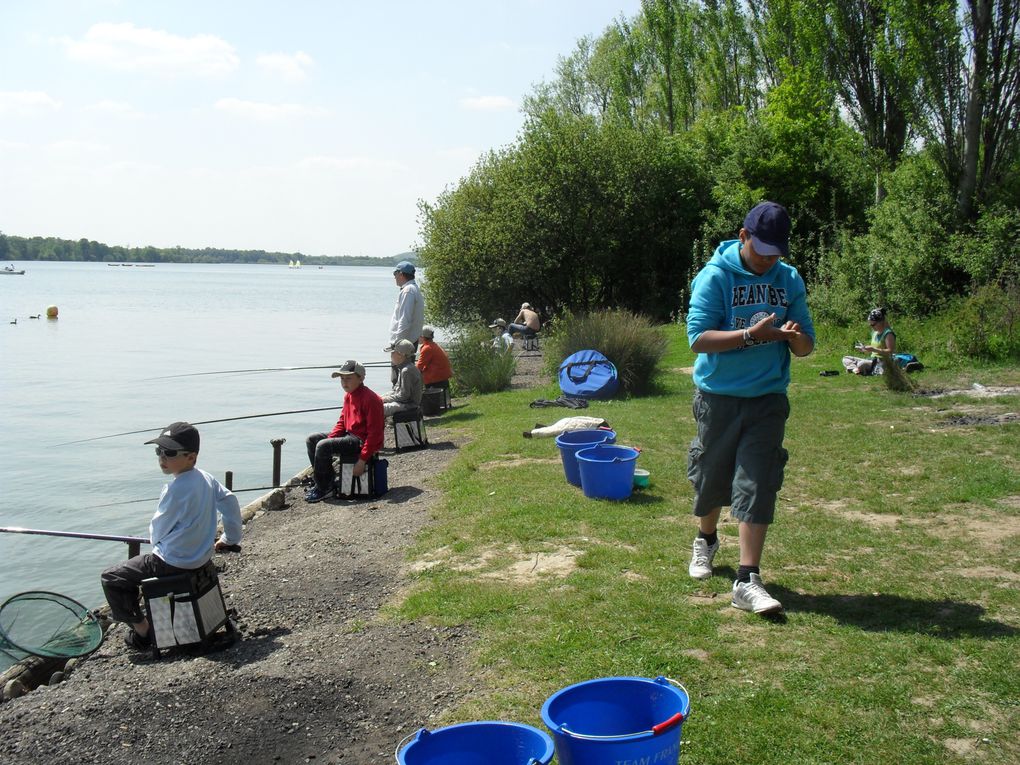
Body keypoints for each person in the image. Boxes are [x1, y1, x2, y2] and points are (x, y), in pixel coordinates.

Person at [685, 201, 815, 616]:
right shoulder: (715, 276)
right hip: (718, 397)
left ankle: (747, 578)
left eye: (775, 253)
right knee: (711, 478)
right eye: (760, 251)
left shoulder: (789, 278)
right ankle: (706, 540)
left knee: (758, 482)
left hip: (767, 398)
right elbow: (697, 339)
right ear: (743, 237)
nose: (767, 260)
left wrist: (794, 339)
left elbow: (808, 345)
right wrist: (749, 335)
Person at [100, 422, 243, 649]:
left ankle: (143, 632)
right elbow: (230, 502)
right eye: (159, 451)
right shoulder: (205, 478)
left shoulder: (175, 489)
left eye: (169, 452)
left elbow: (157, 531)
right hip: (201, 558)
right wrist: (230, 538)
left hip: (173, 562)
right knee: (130, 572)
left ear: (191, 457)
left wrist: (157, 546)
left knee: (112, 578)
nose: (162, 457)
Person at [305, 360, 385, 503]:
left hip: (360, 440)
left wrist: (362, 460)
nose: (344, 382)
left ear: (361, 378)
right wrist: (331, 439)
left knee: (323, 446)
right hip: (349, 435)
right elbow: (342, 422)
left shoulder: (371, 399)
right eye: (342, 378)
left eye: (348, 378)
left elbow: (375, 434)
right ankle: (325, 481)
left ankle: (325, 489)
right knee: (313, 440)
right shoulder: (349, 395)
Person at [842, 308, 896, 375]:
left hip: (882, 361)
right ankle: (856, 369)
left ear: (880, 322)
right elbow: (873, 351)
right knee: (846, 358)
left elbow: (890, 351)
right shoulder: (874, 333)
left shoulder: (888, 334)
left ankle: (857, 369)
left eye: (873, 325)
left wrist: (874, 349)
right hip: (872, 359)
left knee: (861, 364)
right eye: (870, 325)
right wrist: (864, 349)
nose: (872, 327)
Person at [381, 338, 423, 416]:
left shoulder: (406, 371)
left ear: (401, 355)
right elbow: (396, 390)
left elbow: (404, 396)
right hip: (405, 402)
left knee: (379, 408)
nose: (391, 355)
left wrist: (385, 399)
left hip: (410, 405)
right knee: (378, 401)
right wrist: (381, 398)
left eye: (393, 353)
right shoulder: (404, 367)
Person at [389, 260, 425, 349]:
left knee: (403, 364)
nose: (394, 277)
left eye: (395, 274)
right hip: (408, 342)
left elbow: (405, 319)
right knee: (409, 363)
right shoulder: (413, 289)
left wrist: (398, 343)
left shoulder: (408, 291)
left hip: (403, 344)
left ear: (401, 274)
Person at [416, 326, 452, 391]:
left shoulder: (427, 348)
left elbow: (419, 367)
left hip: (435, 381)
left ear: (422, 337)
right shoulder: (435, 345)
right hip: (443, 379)